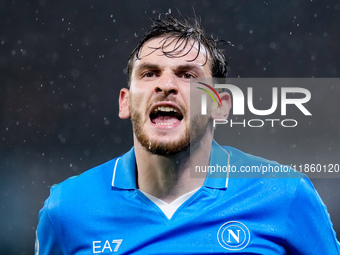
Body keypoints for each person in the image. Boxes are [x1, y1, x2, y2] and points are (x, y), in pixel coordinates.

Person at [36, 12, 340, 254]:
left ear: (220, 106)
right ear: (125, 102)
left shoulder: (285, 194)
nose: (166, 85)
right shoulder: (67, 207)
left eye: (187, 75)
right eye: (150, 73)